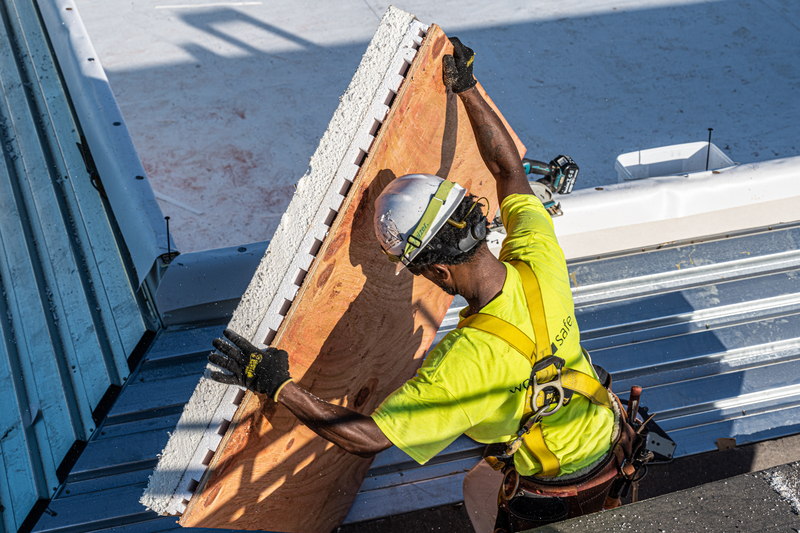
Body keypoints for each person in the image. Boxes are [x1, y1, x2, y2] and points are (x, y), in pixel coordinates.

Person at [208, 38, 629, 533]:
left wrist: (278, 386)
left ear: (438, 273)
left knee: (479, 492)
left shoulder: (464, 362)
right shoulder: (539, 257)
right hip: (610, 435)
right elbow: (508, 168)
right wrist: (467, 89)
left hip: (559, 482)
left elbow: (369, 437)